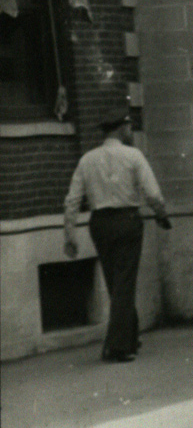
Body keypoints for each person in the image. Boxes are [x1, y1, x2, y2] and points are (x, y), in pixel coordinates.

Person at [62, 109, 170, 363]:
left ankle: (130, 335)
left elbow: (72, 200)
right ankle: (118, 346)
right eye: (128, 127)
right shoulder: (133, 155)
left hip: (99, 223)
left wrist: (70, 234)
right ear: (122, 129)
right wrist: (161, 214)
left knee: (116, 281)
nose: (130, 130)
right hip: (127, 221)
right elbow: (152, 193)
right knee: (124, 281)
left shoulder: (87, 159)